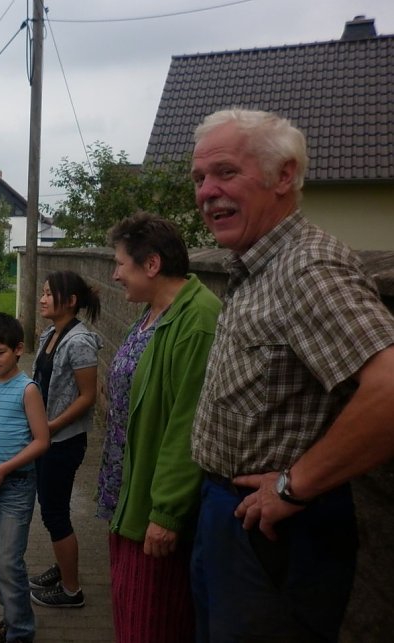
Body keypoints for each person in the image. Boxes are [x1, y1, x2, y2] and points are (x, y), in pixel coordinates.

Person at [189, 108, 394, 642]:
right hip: (231, 518)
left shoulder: (307, 267)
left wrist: (292, 486)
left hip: (276, 532)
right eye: (200, 178)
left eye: (226, 172)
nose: (207, 192)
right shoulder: (257, 264)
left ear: (284, 175)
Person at [95, 212, 220, 643]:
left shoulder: (197, 320)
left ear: (151, 264)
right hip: (128, 499)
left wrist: (165, 513)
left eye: (120, 264)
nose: (115, 275)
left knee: (152, 625)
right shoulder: (153, 312)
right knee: (131, 619)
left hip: (153, 509)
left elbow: (188, 426)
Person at [0, 312, 51, 643]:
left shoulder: (27, 389)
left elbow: (42, 441)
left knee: (8, 561)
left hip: (16, 486)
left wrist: (4, 469)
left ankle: (20, 632)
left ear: (17, 349)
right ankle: (12, 618)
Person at [28, 271, 102, 609]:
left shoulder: (80, 341)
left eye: (49, 294)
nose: (42, 299)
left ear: (71, 301)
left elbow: (88, 397)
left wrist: (52, 426)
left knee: (54, 513)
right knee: (52, 508)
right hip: (47, 437)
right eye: (42, 293)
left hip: (64, 441)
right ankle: (63, 568)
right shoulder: (51, 333)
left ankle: (71, 591)